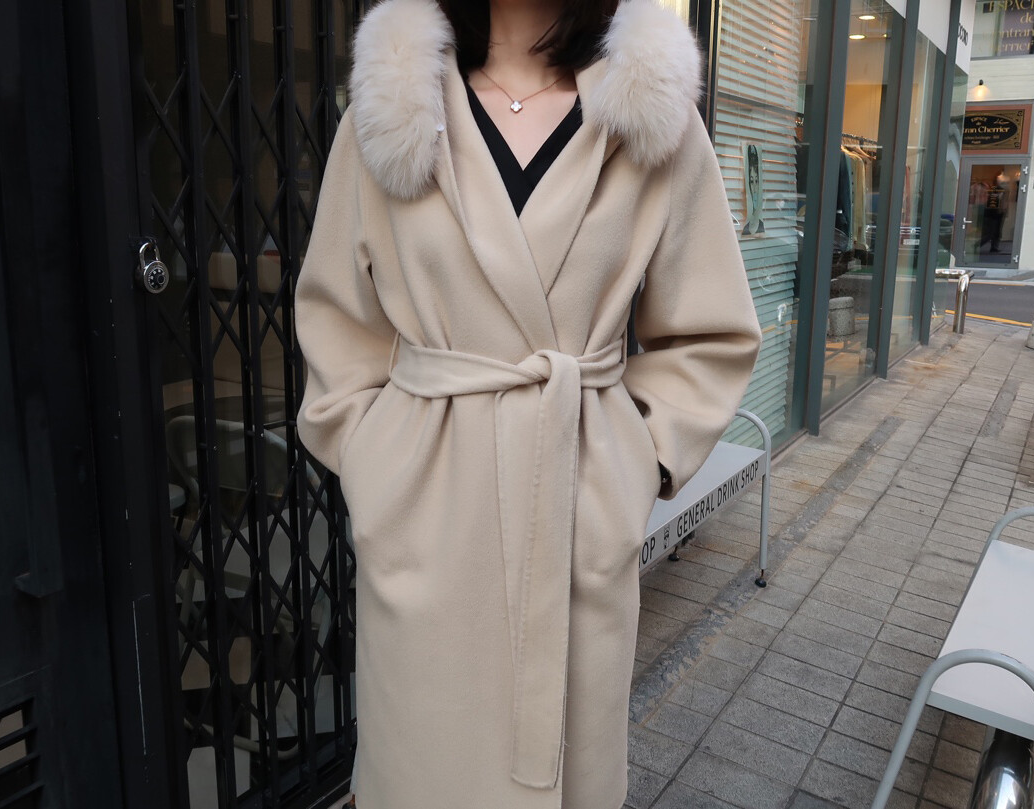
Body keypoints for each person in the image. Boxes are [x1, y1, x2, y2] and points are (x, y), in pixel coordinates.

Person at [295, 1, 761, 807]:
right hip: (425, 524)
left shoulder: (649, 115)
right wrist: (377, 464)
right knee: (421, 770)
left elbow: (708, 333)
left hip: (574, 515)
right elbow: (338, 322)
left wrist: (633, 463)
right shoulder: (392, 105)